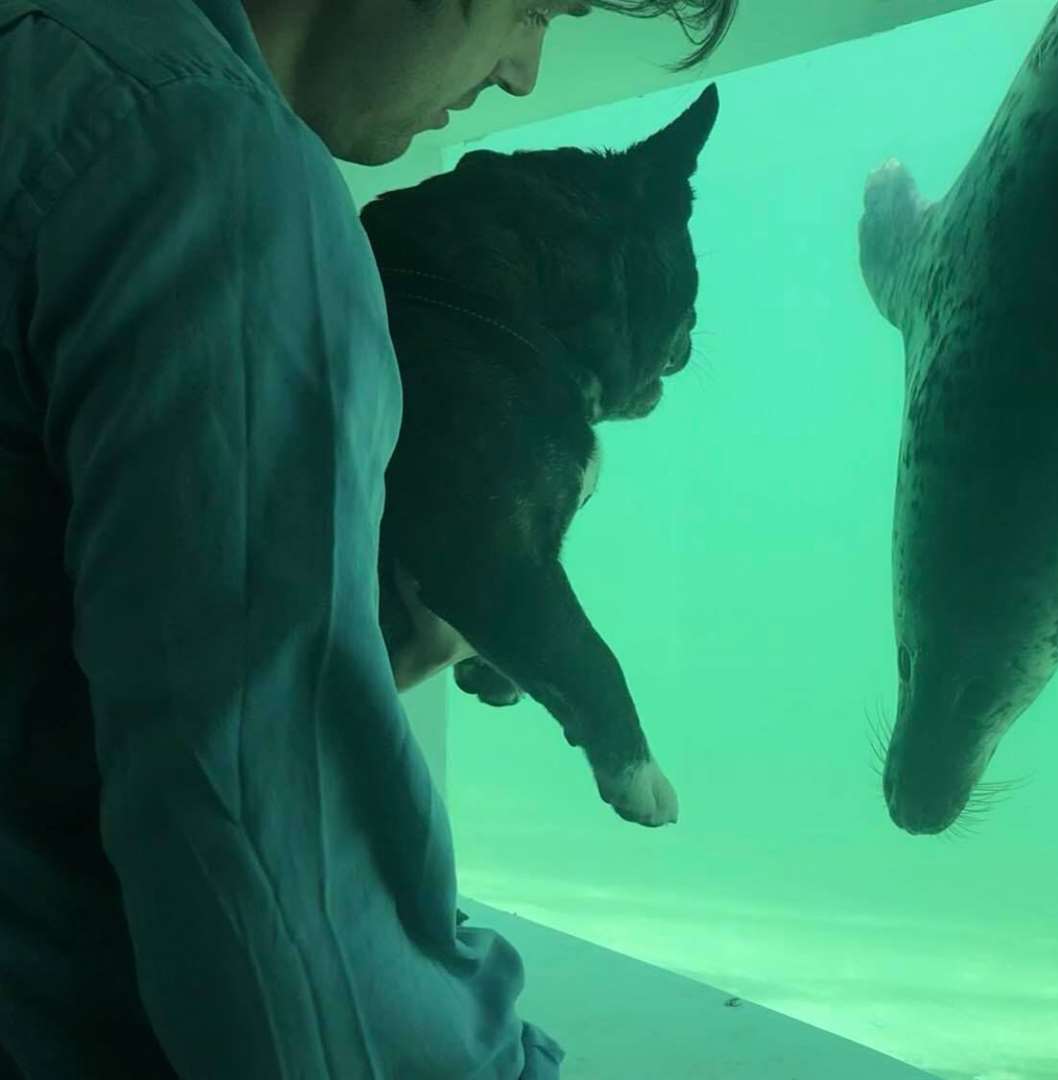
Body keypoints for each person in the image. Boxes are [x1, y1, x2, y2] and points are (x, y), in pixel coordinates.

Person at [0, 0, 733, 1074]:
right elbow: (270, 882)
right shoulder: (217, 174)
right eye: (536, 8)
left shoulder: (54, 57)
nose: (523, 73)